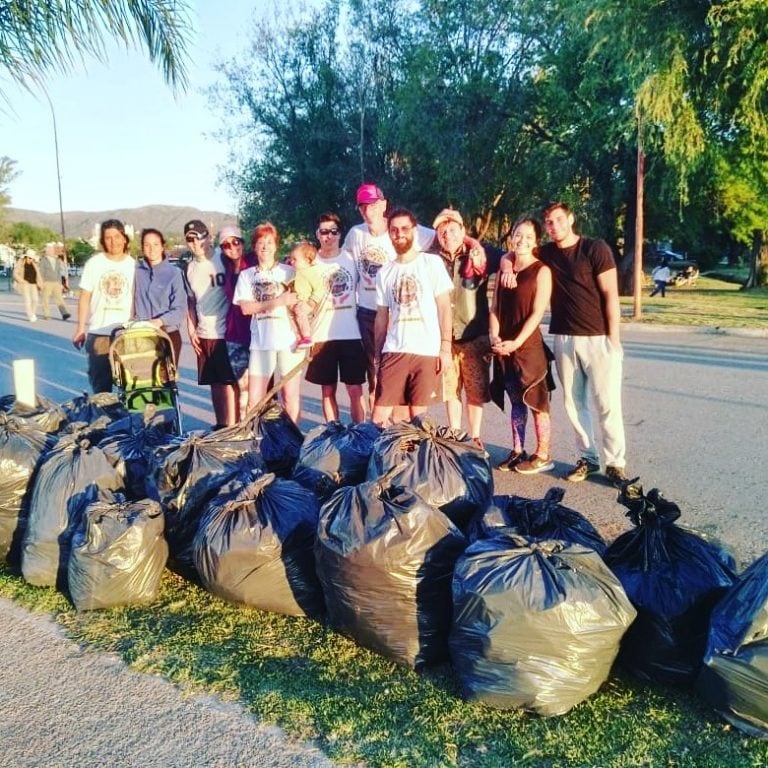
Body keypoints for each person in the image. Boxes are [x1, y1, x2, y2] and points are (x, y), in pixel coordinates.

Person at [538, 201, 630, 487]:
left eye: (558, 219)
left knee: (607, 404)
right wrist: (504, 261)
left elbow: (610, 294)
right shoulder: (547, 253)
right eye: (549, 222)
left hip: (598, 338)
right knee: (574, 404)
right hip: (565, 338)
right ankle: (588, 459)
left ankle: (615, 463)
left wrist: (613, 339)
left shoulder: (595, 248)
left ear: (571, 219)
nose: (554, 226)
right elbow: (516, 253)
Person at [343, 183, 434, 410]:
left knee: (397, 368)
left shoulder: (400, 229)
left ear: (383, 204)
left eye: (373, 204)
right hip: (367, 311)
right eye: (363, 206)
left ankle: (400, 424)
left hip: (398, 311)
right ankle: (378, 428)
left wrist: (474, 245)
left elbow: (443, 238)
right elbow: (339, 262)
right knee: (375, 370)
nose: (368, 210)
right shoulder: (356, 234)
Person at [371, 208, 453, 426]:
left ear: (414, 231)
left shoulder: (431, 264)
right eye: (394, 230)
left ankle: (414, 459)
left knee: (418, 417)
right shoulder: (384, 273)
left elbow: (445, 307)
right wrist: (377, 356)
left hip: (426, 351)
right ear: (389, 234)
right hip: (394, 349)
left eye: (405, 229)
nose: (400, 234)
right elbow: (381, 317)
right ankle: (388, 459)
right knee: (379, 418)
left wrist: (445, 348)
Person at [491, 216, 555, 474]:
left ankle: (543, 454)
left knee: (537, 403)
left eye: (529, 236)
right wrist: (495, 336)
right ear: (511, 236)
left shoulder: (542, 271)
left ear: (536, 241)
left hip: (528, 347)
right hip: (503, 346)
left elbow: (537, 313)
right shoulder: (504, 268)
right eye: (518, 234)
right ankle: (518, 450)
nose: (522, 240)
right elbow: (494, 307)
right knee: (516, 401)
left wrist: (517, 342)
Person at [430, 208, 491, 448]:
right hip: (444, 336)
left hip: (473, 333)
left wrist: (504, 265)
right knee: (450, 388)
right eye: (443, 231)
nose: (448, 235)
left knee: (475, 390)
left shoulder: (479, 255)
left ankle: (474, 436)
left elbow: (511, 258)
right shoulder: (431, 258)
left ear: (463, 231)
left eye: (453, 230)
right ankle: (455, 434)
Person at [233, 222, 304, 424]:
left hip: (289, 342)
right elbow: (246, 308)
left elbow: (301, 303)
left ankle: (293, 441)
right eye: (260, 242)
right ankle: (254, 441)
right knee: (255, 399)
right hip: (261, 342)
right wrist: (278, 301)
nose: (265, 246)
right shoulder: (247, 276)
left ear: (276, 245)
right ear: (254, 247)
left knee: (290, 397)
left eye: (269, 242)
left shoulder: (289, 272)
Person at [303, 212, 366, 423]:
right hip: (322, 336)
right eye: (324, 232)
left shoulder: (351, 259)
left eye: (333, 231)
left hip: (351, 334)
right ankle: (333, 430)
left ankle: (360, 433)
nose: (329, 236)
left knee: (355, 389)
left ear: (340, 234)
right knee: (327, 390)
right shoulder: (310, 262)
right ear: (317, 235)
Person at [184, 218, 238, 428]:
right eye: (190, 239)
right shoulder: (188, 268)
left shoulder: (223, 259)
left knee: (230, 383)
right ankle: (220, 425)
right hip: (205, 333)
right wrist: (191, 327)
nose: (196, 243)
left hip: (227, 331)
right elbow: (191, 299)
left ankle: (233, 428)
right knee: (214, 383)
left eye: (199, 237)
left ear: (207, 236)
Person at [72, 219, 135, 393]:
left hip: (125, 333)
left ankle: (126, 419)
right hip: (99, 333)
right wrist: (80, 328)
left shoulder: (134, 266)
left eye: (117, 236)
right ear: (103, 240)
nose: (113, 241)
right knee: (101, 387)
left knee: (128, 385)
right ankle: (104, 418)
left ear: (125, 238)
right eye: (108, 237)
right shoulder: (94, 263)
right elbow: (84, 297)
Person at [132, 228, 187, 364]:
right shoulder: (135, 272)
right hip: (139, 335)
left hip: (167, 334)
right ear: (142, 248)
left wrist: (160, 321)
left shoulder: (175, 273)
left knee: (164, 382)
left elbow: (180, 309)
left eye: (156, 244)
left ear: (163, 246)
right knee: (140, 381)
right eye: (147, 245)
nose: (152, 249)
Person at [219, 225, 254, 422]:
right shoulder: (225, 268)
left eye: (236, 242)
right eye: (226, 245)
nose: (232, 247)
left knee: (260, 386)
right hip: (235, 334)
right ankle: (244, 429)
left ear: (243, 242)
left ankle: (262, 430)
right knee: (243, 387)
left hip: (258, 332)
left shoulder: (254, 262)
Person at [291, 240, 325, 349]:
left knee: (300, 313)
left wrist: (312, 301)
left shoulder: (311, 272)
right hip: (297, 301)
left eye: (295, 259)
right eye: (291, 259)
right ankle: (299, 337)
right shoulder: (297, 272)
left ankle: (306, 336)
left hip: (306, 302)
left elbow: (320, 288)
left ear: (306, 260)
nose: (291, 262)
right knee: (293, 317)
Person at [39, 243, 71, 320]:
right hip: (47, 282)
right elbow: (41, 272)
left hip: (56, 282)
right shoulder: (44, 260)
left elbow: (58, 272)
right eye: (50, 250)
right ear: (47, 251)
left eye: (52, 250)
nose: (52, 251)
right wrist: (41, 282)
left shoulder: (56, 260)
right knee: (45, 299)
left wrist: (60, 283)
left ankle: (64, 313)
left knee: (59, 299)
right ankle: (47, 315)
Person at [13, 249, 42, 322]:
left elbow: (38, 275)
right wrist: (22, 281)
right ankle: (30, 315)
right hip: (25, 284)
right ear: (26, 257)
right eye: (29, 258)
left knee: (35, 300)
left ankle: (32, 313)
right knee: (28, 301)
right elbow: (15, 274)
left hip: (34, 284)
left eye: (32, 258)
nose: (30, 259)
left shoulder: (35, 264)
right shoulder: (20, 263)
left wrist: (41, 283)